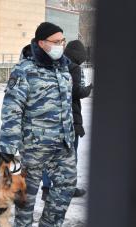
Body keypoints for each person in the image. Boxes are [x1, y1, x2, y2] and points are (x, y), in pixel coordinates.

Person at [0, 22, 77, 227]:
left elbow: (67, 106)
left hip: (63, 143)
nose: (61, 46)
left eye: (62, 41)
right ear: (41, 43)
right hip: (34, 144)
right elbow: (12, 108)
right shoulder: (25, 70)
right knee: (28, 192)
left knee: (66, 185)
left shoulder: (64, 69)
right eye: (56, 41)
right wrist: (8, 145)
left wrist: (72, 133)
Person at [40, 40, 93, 201]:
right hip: (70, 118)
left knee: (50, 155)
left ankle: (47, 188)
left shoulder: (56, 64)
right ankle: (68, 187)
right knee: (71, 154)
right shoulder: (74, 67)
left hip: (52, 117)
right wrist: (88, 89)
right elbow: (75, 91)